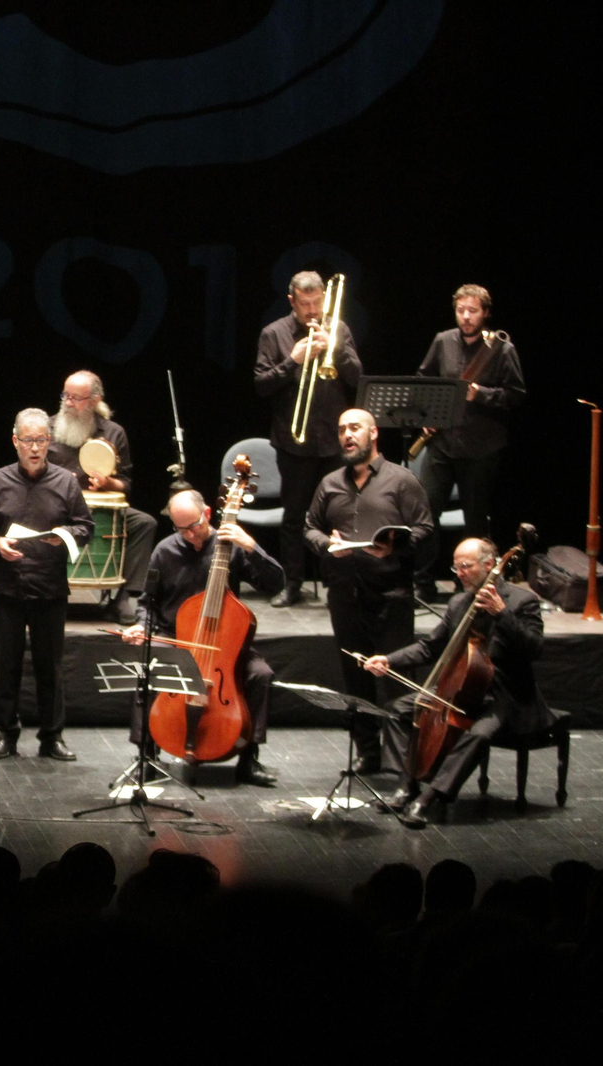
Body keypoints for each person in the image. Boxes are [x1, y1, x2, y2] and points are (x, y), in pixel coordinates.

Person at [360, 538, 550, 827]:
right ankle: (406, 785)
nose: (459, 573)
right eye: (456, 567)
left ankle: (430, 798)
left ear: (489, 565)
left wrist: (501, 613)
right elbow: (430, 647)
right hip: (458, 688)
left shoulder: (521, 601)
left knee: (479, 734)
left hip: (503, 696)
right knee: (398, 710)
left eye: (466, 566)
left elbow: (535, 648)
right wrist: (389, 660)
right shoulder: (459, 602)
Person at [118, 489, 284, 785]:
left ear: (207, 514)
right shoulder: (164, 551)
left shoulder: (230, 548)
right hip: (175, 637)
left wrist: (251, 547)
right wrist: (143, 626)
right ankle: (147, 756)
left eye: (193, 526)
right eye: (180, 528)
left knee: (260, 674)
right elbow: (148, 603)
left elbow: (274, 584)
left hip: (223, 642)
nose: (189, 535)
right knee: (147, 668)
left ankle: (249, 760)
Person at [305, 408, 434, 773]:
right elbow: (310, 527)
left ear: (373, 433)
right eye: (342, 428)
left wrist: (394, 546)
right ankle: (368, 753)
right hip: (345, 595)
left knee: (394, 680)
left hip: (391, 594)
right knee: (355, 679)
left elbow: (425, 529)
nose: (347, 434)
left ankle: (400, 761)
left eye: (355, 428)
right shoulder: (330, 483)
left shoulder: (402, 480)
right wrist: (326, 544)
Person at [0, 408, 93, 760]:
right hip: (8, 586)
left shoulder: (66, 482)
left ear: (49, 441)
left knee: (48, 666)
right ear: (15, 441)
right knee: (6, 665)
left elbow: (86, 527)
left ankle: (52, 738)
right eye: (28, 441)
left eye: (40, 440)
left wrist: (66, 534)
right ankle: (5, 735)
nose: (34, 448)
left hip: (50, 587)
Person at [254, 270, 363, 607]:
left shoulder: (338, 328)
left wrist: (335, 349)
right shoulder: (274, 333)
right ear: (292, 302)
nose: (313, 311)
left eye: (317, 303)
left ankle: (338, 584)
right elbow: (261, 385)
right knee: (293, 517)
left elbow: (357, 377)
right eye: (305, 304)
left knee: (339, 516)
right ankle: (292, 584)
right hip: (293, 440)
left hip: (333, 440)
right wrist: (293, 360)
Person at [412, 284, 527, 599]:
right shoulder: (442, 341)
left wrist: (481, 394)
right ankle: (421, 582)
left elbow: (515, 395)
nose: (465, 316)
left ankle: (476, 588)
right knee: (425, 513)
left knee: (475, 521)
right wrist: (429, 413)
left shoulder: (501, 348)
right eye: (461, 310)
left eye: (472, 311)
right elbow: (424, 380)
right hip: (443, 443)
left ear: (485, 313)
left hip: (481, 447)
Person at [46, 370, 159, 622]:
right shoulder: (48, 428)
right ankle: (45, 593)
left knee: (144, 523)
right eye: (66, 395)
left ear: (95, 400)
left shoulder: (113, 432)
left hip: (100, 510)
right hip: (56, 508)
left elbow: (126, 484)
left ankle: (121, 598)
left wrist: (108, 482)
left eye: (76, 398)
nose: (68, 402)